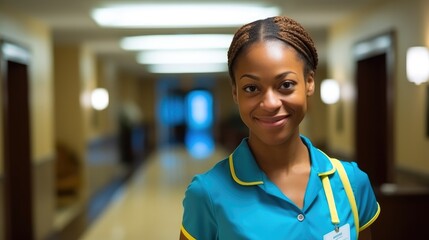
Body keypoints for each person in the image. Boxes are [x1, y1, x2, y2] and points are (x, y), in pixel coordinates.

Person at [179, 16, 380, 240]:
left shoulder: (351, 182)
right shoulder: (207, 193)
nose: (270, 103)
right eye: (251, 88)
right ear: (235, 92)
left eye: (285, 85)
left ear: (309, 82)